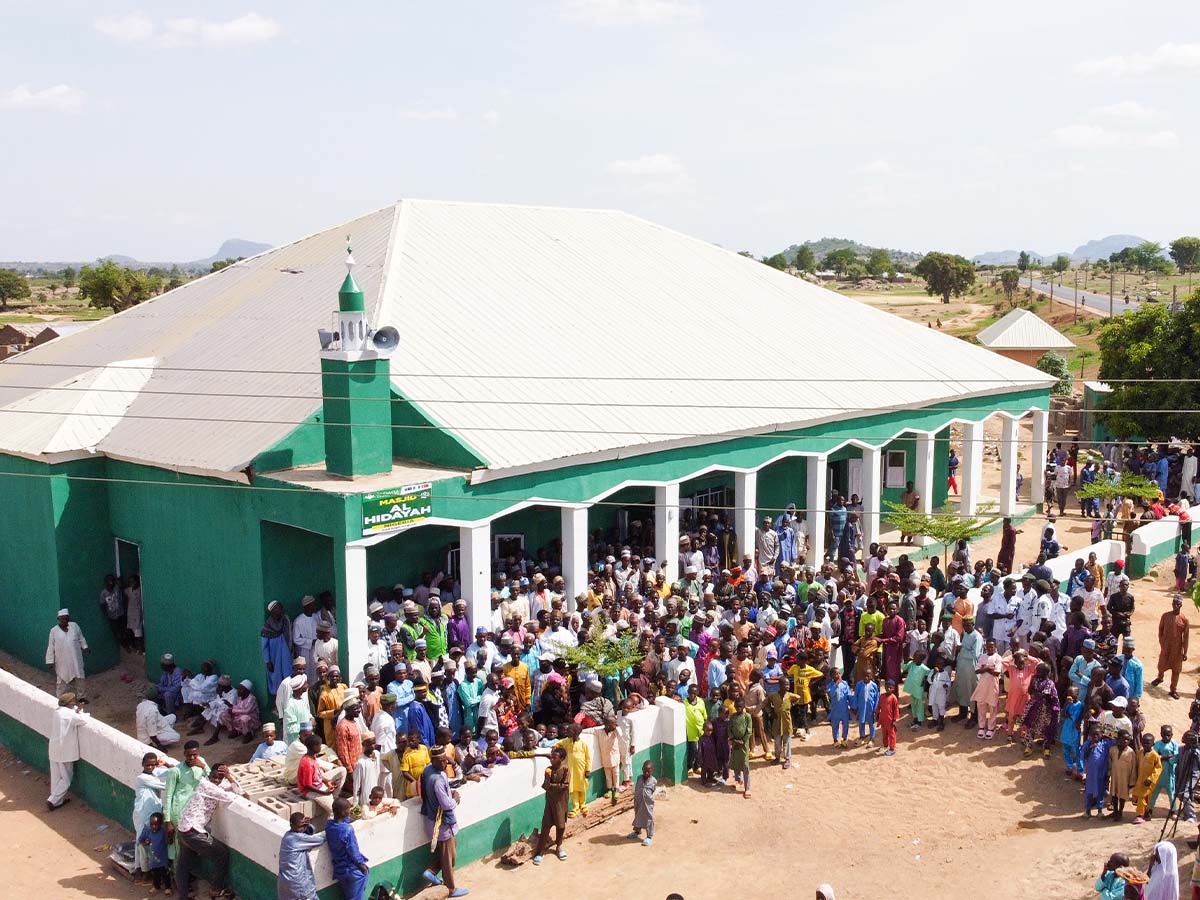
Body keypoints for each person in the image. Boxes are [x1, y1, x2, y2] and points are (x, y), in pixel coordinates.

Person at [175, 764, 243, 900]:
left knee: (183, 864)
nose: (216, 780)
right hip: (193, 831)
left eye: (220, 777)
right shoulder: (206, 785)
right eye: (214, 776)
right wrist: (228, 777)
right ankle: (216, 889)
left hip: (184, 828)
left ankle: (183, 896)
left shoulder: (214, 786)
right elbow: (232, 797)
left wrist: (228, 776)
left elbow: (239, 790)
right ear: (209, 774)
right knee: (221, 854)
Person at [420, 746, 467, 898]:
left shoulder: (428, 771)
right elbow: (446, 805)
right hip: (442, 823)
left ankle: (432, 871)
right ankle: (450, 888)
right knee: (449, 858)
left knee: (450, 850)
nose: (444, 763)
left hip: (431, 818)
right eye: (440, 761)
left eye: (445, 760)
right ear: (432, 760)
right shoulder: (438, 780)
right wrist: (455, 798)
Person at [47, 691, 89, 810]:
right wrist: (81, 710)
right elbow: (83, 719)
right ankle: (52, 800)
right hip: (64, 751)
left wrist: (77, 709)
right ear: (70, 703)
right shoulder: (70, 714)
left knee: (56, 777)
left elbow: (70, 715)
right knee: (66, 778)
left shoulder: (57, 712)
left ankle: (57, 801)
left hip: (54, 748)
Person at [532, 745, 570, 864]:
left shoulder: (565, 770)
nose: (551, 760)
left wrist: (551, 786)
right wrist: (548, 780)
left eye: (554, 758)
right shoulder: (548, 770)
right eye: (551, 758)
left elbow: (565, 786)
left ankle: (559, 846)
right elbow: (545, 785)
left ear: (561, 759)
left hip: (561, 801)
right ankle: (540, 851)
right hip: (550, 801)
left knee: (561, 825)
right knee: (546, 825)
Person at [326, 798, 370, 900]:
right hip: (352, 870)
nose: (349, 811)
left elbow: (341, 821)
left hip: (339, 869)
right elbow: (353, 851)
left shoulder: (329, 826)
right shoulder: (347, 829)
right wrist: (362, 866)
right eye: (348, 809)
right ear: (343, 812)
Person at [277, 811, 326, 900]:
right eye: (300, 826)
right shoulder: (296, 838)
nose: (302, 829)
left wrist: (307, 826)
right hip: (298, 884)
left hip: (285, 883)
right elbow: (320, 839)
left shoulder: (287, 836)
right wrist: (332, 826)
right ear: (292, 825)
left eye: (304, 826)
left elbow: (307, 835)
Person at [1151, 594, 1189, 698]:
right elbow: (1160, 630)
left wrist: (1185, 652)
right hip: (1166, 647)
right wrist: (1162, 643)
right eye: (1173, 603)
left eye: (1177, 604)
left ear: (1180, 605)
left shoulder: (1184, 619)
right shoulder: (1165, 616)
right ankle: (1160, 678)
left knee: (1176, 670)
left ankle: (1173, 690)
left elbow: (1186, 637)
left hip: (1177, 650)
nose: (1174, 606)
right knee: (1161, 665)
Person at [45, 609, 88, 698]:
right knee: (62, 679)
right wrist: (49, 661)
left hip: (75, 659)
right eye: (62, 618)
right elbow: (51, 647)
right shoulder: (54, 631)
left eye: (66, 618)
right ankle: (60, 698)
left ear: (68, 618)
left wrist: (85, 647)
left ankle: (81, 697)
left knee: (80, 678)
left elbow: (81, 638)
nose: (64, 620)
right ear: (58, 619)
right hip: (62, 660)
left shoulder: (75, 626)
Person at [557, 722, 592, 817]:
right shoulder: (566, 742)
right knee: (573, 789)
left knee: (582, 788)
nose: (567, 732)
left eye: (569, 731)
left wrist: (588, 770)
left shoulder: (583, 744)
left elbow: (588, 758)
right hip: (571, 771)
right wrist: (554, 747)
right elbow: (558, 743)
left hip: (581, 771)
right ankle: (575, 807)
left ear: (575, 733)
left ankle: (583, 805)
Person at [261, 600, 294, 695]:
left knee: (288, 677)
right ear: (272, 611)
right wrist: (267, 661)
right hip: (274, 658)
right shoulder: (267, 627)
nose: (281, 609)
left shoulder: (286, 621)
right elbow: (264, 646)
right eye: (278, 608)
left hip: (287, 656)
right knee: (276, 678)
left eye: (281, 607)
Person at [1131, 732, 1163, 825]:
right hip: (1140, 779)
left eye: (1148, 743)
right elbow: (1137, 763)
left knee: (1145, 797)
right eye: (1144, 743)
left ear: (1153, 744)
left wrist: (1151, 779)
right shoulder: (1140, 752)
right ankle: (1144, 813)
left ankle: (1141, 814)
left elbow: (1158, 768)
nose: (1145, 745)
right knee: (1141, 796)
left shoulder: (1154, 755)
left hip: (1149, 781)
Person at [1149, 724, 1179, 819]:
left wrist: (1163, 757)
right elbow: (1154, 757)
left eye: (1168, 735)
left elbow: (1175, 757)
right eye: (1164, 735)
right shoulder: (1158, 744)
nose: (1166, 737)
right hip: (1158, 774)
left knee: (1171, 794)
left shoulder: (1174, 744)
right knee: (1154, 793)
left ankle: (1173, 811)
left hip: (1170, 774)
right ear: (1161, 734)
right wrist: (1166, 757)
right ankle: (1150, 809)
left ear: (1172, 735)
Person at [138, 812, 171, 894]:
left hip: (163, 859)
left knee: (165, 874)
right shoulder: (147, 831)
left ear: (160, 824)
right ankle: (156, 887)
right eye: (151, 824)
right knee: (155, 874)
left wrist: (170, 836)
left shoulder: (163, 832)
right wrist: (145, 843)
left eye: (156, 824)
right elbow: (140, 840)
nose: (153, 826)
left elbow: (168, 842)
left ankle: (168, 888)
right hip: (152, 860)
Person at [1108, 731, 1138, 821]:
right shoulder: (1112, 750)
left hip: (1125, 778)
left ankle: (1120, 812)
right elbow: (1109, 762)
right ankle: (1115, 811)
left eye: (1127, 739)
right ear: (1118, 739)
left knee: (1123, 796)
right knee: (1113, 794)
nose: (1125, 741)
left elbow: (1134, 767)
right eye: (1123, 739)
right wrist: (1108, 773)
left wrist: (1132, 781)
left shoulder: (1131, 752)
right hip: (1115, 777)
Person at [1082, 723, 1109, 818]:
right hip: (1090, 775)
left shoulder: (1105, 744)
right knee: (1089, 792)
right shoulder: (1087, 744)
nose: (1095, 736)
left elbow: (1115, 742)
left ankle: (1100, 811)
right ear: (1090, 735)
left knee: (1100, 793)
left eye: (1098, 734)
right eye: (1093, 734)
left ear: (1101, 734)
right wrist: (1090, 748)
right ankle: (1088, 811)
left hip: (1101, 774)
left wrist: (1107, 737)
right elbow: (1083, 756)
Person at [628, 759, 656, 846]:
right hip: (638, 802)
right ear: (642, 769)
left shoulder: (653, 781)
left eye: (648, 771)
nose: (646, 773)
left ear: (652, 771)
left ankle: (649, 836)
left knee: (648, 818)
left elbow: (653, 791)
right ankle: (637, 831)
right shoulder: (639, 778)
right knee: (638, 816)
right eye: (645, 771)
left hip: (648, 804)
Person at [728, 697, 753, 798]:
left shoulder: (747, 717)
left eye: (740, 707)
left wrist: (742, 741)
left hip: (744, 744)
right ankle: (738, 780)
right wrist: (733, 739)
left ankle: (747, 788)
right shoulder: (732, 717)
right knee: (736, 762)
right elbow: (729, 729)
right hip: (735, 743)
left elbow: (749, 731)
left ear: (743, 707)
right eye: (737, 707)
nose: (738, 708)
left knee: (745, 764)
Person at [827, 668, 853, 747]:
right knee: (835, 725)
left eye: (839, 673)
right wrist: (836, 685)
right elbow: (831, 694)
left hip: (844, 709)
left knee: (846, 725)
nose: (838, 675)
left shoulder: (845, 684)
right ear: (832, 676)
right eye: (835, 674)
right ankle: (835, 740)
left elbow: (848, 695)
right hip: (835, 709)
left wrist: (852, 705)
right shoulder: (830, 685)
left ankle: (844, 740)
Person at [878, 680, 900, 756]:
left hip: (890, 721)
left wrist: (895, 720)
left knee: (892, 735)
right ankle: (885, 745)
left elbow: (896, 709)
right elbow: (879, 706)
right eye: (887, 687)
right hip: (883, 719)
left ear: (893, 688)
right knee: (884, 734)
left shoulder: (894, 698)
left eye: (890, 687)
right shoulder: (882, 696)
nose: (888, 689)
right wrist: (877, 713)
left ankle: (892, 749)